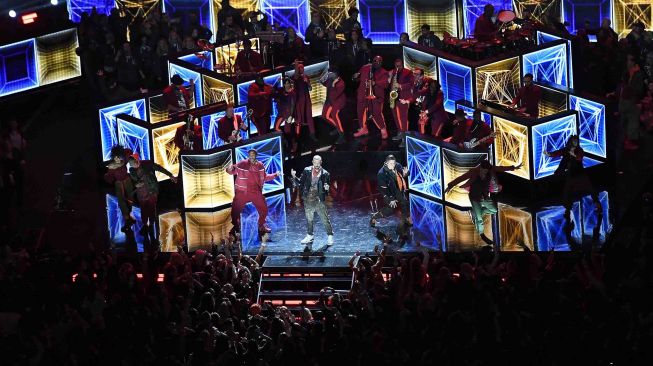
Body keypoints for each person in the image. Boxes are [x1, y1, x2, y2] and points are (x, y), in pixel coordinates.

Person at [444, 159, 521, 245]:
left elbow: (500, 168)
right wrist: (450, 186)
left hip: (484, 196)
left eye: (488, 170)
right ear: (481, 167)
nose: (486, 171)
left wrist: (513, 167)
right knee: (479, 219)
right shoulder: (473, 171)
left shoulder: (490, 169)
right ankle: (482, 234)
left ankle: (476, 212)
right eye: (485, 170)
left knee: (494, 210)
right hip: (475, 197)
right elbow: (461, 178)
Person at [227, 149, 280, 235]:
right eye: (250, 155)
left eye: (253, 154)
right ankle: (236, 225)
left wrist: (275, 175)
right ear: (248, 156)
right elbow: (232, 170)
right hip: (242, 191)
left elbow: (265, 177)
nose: (251, 156)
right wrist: (228, 169)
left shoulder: (260, 166)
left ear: (256, 156)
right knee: (235, 209)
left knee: (264, 209)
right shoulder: (242, 163)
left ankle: (261, 224)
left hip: (255, 191)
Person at [545, 136, 601, 216]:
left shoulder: (579, 150)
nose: (576, 143)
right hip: (571, 174)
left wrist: (574, 154)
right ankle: (568, 209)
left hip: (580, 173)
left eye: (577, 141)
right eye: (574, 141)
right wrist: (548, 154)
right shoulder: (566, 150)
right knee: (568, 192)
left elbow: (580, 158)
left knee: (590, 189)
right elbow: (557, 153)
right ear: (571, 142)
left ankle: (598, 206)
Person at [128, 155, 177, 241]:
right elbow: (135, 180)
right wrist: (136, 184)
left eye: (132, 163)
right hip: (142, 192)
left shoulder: (147, 164)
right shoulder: (132, 170)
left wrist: (170, 175)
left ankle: (151, 225)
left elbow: (159, 168)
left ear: (136, 160)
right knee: (143, 209)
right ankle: (145, 225)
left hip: (152, 190)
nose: (131, 165)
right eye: (130, 164)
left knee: (151, 208)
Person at [291, 155, 334, 247]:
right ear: (312, 162)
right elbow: (300, 183)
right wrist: (294, 176)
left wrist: (326, 189)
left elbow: (326, 190)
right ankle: (310, 235)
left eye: (318, 163)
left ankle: (330, 235)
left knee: (325, 219)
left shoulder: (325, 173)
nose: (317, 165)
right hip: (308, 199)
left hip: (318, 200)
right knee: (309, 219)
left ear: (321, 162)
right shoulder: (307, 170)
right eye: (315, 163)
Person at [353, 55, 389, 139]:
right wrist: (355, 77)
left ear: (382, 63)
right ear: (372, 61)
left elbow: (386, 84)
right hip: (362, 94)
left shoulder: (384, 72)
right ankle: (363, 129)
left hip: (376, 96)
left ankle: (383, 129)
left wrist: (375, 83)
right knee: (360, 112)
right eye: (375, 61)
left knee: (376, 113)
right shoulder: (365, 68)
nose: (377, 63)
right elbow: (358, 78)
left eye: (379, 61)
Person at [370, 155, 411, 228]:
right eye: (391, 163)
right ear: (386, 163)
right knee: (390, 209)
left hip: (397, 189)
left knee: (404, 202)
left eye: (394, 163)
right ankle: (375, 216)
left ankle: (405, 219)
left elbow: (403, 174)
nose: (393, 165)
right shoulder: (381, 173)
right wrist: (391, 198)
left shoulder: (397, 165)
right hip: (387, 192)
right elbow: (384, 189)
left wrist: (406, 173)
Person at [104, 145, 135, 232]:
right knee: (121, 202)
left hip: (127, 180)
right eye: (116, 157)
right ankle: (127, 220)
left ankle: (129, 217)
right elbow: (109, 177)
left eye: (118, 156)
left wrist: (122, 152)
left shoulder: (124, 157)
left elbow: (129, 151)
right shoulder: (113, 165)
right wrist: (107, 176)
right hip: (118, 183)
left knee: (130, 199)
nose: (117, 159)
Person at [388, 58, 414, 144]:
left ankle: (404, 138)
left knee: (403, 118)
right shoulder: (393, 72)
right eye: (396, 65)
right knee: (396, 117)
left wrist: (400, 86)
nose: (397, 67)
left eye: (399, 65)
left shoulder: (408, 72)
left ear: (402, 64)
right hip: (394, 97)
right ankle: (400, 133)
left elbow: (411, 84)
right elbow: (391, 84)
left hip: (403, 98)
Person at [292, 62, 317, 141]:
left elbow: (310, 89)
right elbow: (295, 76)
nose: (301, 69)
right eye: (299, 68)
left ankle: (312, 134)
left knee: (309, 116)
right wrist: (296, 64)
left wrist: (308, 83)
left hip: (307, 98)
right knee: (299, 118)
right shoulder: (295, 77)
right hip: (299, 100)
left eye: (302, 67)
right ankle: (297, 136)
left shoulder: (306, 77)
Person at [321, 67, 346, 144]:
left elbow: (334, 95)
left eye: (330, 73)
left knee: (334, 115)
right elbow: (326, 84)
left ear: (335, 74)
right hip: (329, 100)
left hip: (338, 102)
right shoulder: (330, 79)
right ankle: (338, 128)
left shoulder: (341, 83)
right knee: (325, 116)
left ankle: (342, 135)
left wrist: (333, 85)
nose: (328, 74)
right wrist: (322, 81)